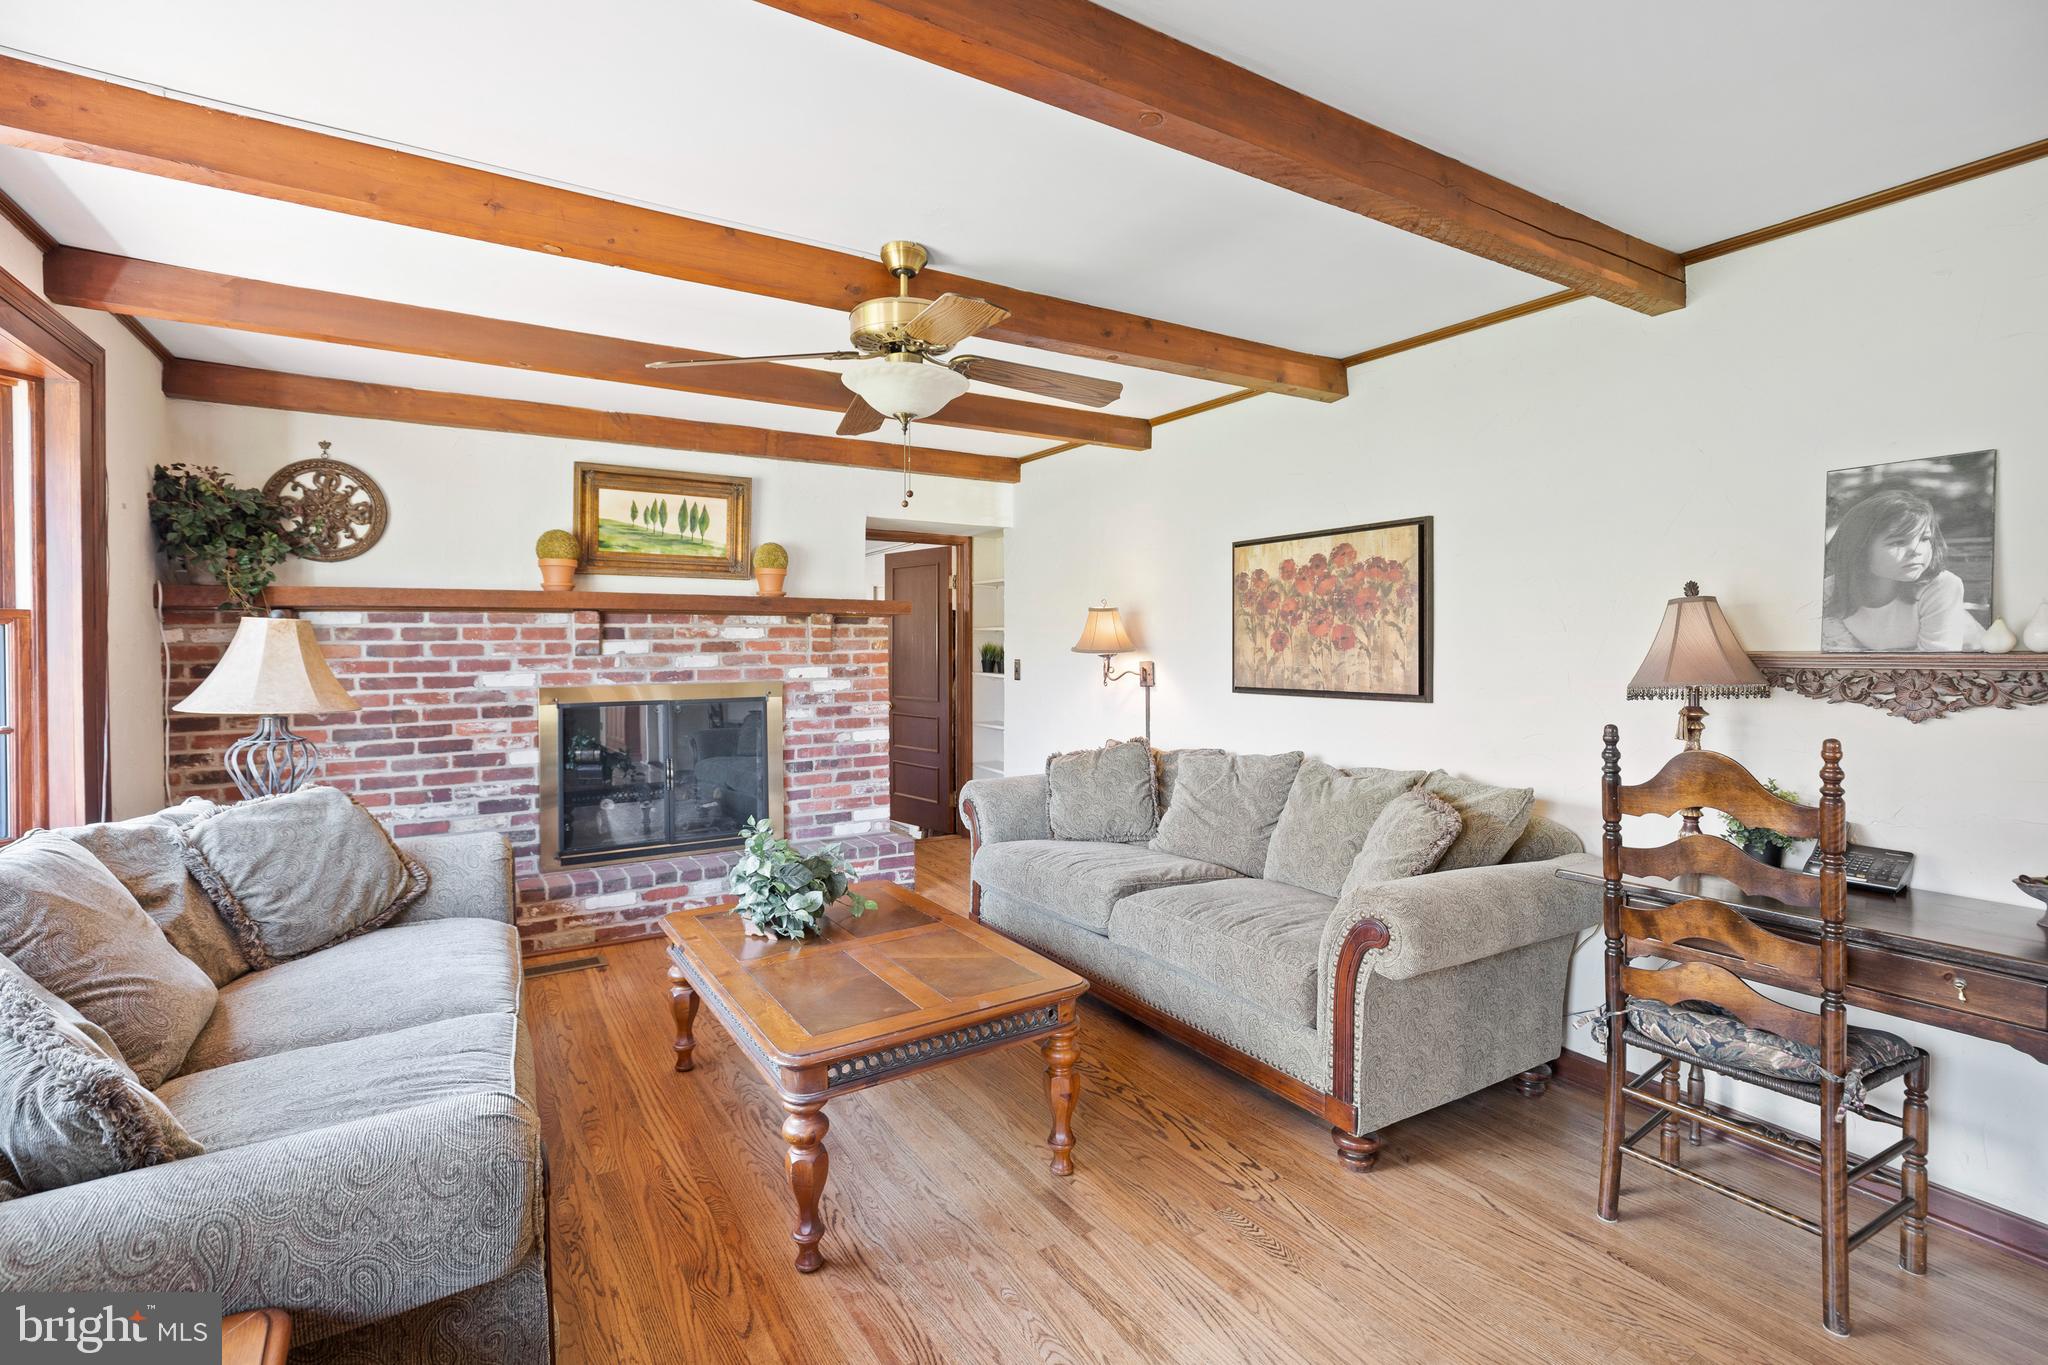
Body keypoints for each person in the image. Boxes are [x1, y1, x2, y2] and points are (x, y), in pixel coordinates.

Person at [1822, 489, 1986, 651]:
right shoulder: (1830, 591)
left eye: (1925, 539)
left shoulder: (1941, 585)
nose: (1916, 550)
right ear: (1859, 549)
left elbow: (1937, 660)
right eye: (1898, 542)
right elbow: (1844, 656)